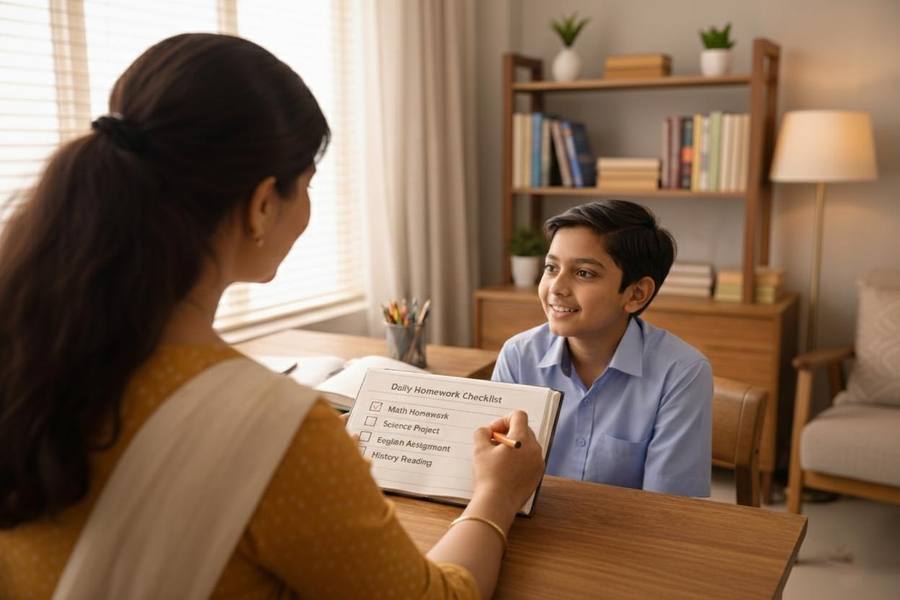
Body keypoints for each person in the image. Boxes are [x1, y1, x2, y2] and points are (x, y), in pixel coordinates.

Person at [0, 33, 544, 599]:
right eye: (306, 185)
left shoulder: (28, 358)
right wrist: (497, 496)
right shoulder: (277, 435)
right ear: (262, 204)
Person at [492, 200, 712, 497]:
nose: (557, 287)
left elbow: (669, 510)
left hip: (630, 539)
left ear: (636, 294)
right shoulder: (518, 356)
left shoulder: (682, 373)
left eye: (583, 273)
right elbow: (495, 478)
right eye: (551, 267)